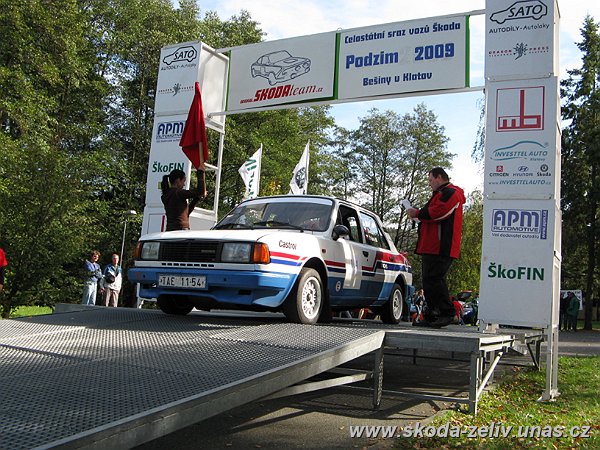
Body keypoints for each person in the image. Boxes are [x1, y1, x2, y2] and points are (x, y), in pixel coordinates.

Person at [407, 167, 465, 328]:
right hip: (431, 245)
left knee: (435, 278)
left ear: (439, 177)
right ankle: (432, 314)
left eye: (430, 180)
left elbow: (439, 212)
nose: (429, 183)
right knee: (429, 280)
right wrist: (419, 215)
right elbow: (433, 213)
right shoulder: (441, 194)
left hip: (442, 245)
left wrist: (417, 213)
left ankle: (447, 312)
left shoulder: (452, 192)